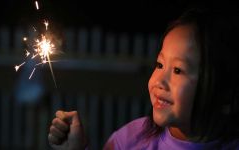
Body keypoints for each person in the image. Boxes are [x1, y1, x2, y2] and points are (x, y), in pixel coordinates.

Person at [48, 7, 239, 150]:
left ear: (225, 91)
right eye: (160, 65)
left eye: (178, 70)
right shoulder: (129, 140)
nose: (159, 82)